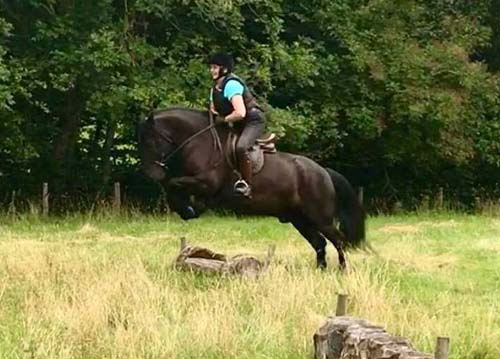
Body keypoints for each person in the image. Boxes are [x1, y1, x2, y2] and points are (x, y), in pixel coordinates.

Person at [207, 52, 265, 198]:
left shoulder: (231, 85)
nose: (212, 71)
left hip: (252, 120)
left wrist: (224, 120)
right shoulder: (214, 89)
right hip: (236, 122)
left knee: (240, 147)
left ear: (224, 69)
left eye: (215, 67)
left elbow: (240, 112)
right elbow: (213, 110)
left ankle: (246, 185)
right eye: (211, 67)